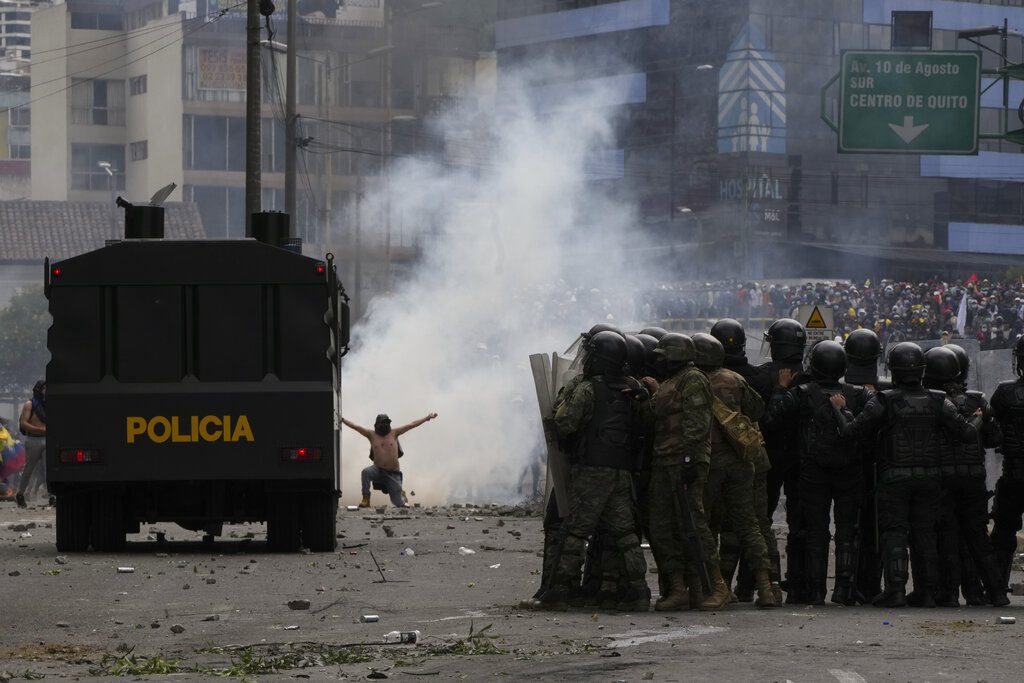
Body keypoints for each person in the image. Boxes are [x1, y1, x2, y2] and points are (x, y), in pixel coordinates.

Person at [832, 342, 982, 607]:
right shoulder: (939, 401)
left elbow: (851, 431)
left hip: (894, 478)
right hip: (930, 478)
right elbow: (967, 432)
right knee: (925, 534)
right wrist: (981, 416)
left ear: (893, 370)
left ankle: (896, 590)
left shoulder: (884, 400)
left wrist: (839, 409)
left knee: (894, 532)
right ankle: (927, 592)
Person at [536, 331, 650, 611]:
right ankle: (639, 590)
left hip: (592, 472)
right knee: (625, 534)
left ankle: (561, 589)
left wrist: (564, 398)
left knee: (574, 532)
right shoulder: (634, 391)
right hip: (621, 471)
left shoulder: (588, 389)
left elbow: (564, 423)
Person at [768, 340, 867, 605]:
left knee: (816, 531)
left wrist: (780, 388)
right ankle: (844, 590)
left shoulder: (801, 393)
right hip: (849, 471)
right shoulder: (858, 394)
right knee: (847, 531)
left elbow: (772, 419)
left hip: (812, 471)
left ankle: (816, 591)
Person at [692, 333, 776, 608]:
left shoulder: (691, 382)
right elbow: (756, 408)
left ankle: (715, 586)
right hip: (741, 461)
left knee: (703, 525)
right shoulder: (734, 379)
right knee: (749, 524)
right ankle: (766, 587)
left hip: (710, 462)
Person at [921, 346, 1007, 607]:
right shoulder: (979, 399)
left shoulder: (930, 401)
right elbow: (994, 439)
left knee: (947, 537)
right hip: (973, 478)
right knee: (978, 538)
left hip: (943, 478)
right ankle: (994, 592)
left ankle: (949, 595)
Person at [643, 333, 714, 611]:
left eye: (663, 356)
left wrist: (689, 460)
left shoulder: (693, 379)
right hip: (664, 462)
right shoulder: (670, 382)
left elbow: (697, 425)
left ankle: (701, 587)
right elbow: (653, 416)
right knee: (662, 527)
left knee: (691, 526)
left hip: (682, 462)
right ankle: (677, 587)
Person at [758, 318, 810, 602]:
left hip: (769, 456)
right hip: (802, 458)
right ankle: (800, 582)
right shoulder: (813, 377)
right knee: (800, 522)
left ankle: (762, 580)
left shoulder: (761, 376)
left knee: (760, 520)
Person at [842, 328, 889, 603]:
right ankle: (868, 584)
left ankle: (849, 586)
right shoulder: (887, 391)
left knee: (851, 528)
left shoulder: (840, 389)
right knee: (874, 530)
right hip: (878, 466)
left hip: (851, 466)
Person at [342, 412, 437, 508]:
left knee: (399, 504)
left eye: (387, 423)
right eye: (382, 423)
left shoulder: (394, 433)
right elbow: (356, 426)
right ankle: (366, 499)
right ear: (377, 425)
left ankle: (401, 495)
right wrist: (343, 420)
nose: (385, 425)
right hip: (377, 470)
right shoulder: (371, 434)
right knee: (366, 472)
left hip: (393, 474)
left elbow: (411, 425)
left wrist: (427, 418)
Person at [989, 335, 1024, 586]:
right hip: (1013, 470)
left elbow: (992, 427)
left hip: (1014, 472)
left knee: (1003, 531)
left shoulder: (1006, 392)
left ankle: (997, 588)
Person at [16, 380, 47, 508]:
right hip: (33, 440)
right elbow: (24, 423)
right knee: (29, 469)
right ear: (38, 389)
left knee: (48, 469)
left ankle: (52, 495)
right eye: (44, 388)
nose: (46, 390)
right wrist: (41, 430)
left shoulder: (50, 405)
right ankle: (20, 494)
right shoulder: (30, 404)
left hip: (47, 440)